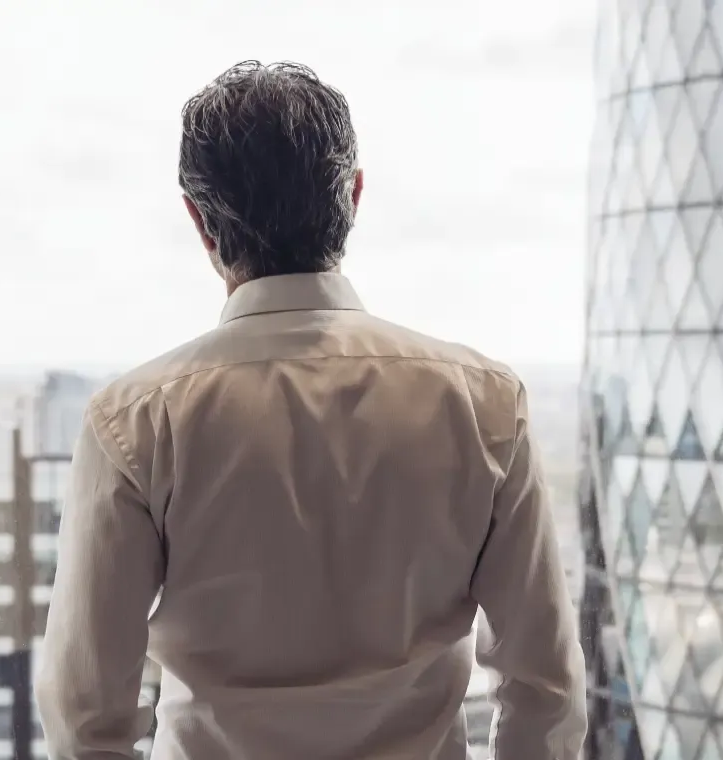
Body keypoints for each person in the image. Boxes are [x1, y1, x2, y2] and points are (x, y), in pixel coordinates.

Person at [35, 60, 586, 760]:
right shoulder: (484, 403)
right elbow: (545, 692)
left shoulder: (136, 422)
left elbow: (85, 719)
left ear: (200, 222)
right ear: (353, 195)